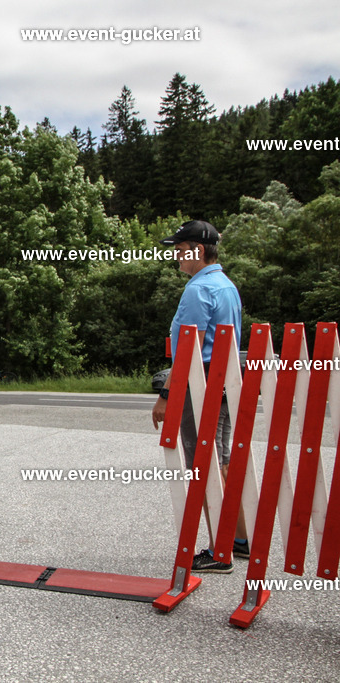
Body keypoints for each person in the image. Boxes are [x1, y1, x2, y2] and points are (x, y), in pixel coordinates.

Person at [151, 220, 249, 573]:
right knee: (221, 462)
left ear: (199, 250)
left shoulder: (198, 290)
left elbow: (190, 348)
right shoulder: (226, 286)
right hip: (225, 382)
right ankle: (239, 540)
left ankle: (219, 552)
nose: (177, 256)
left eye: (180, 250)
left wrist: (166, 394)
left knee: (202, 467)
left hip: (201, 384)